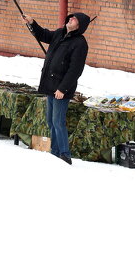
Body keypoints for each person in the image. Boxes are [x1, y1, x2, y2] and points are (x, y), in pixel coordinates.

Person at [23, 11, 91, 165]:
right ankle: (54, 152)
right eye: (70, 17)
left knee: (58, 121)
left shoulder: (80, 43)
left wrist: (63, 89)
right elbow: (43, 35)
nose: (70, 19)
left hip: (61, 89)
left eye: (74, 19)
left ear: (80, 26)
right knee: (50, 121)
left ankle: (64, 155)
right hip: (50, 84)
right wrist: (32, 23)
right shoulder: (60, 33)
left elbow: (75, 70)